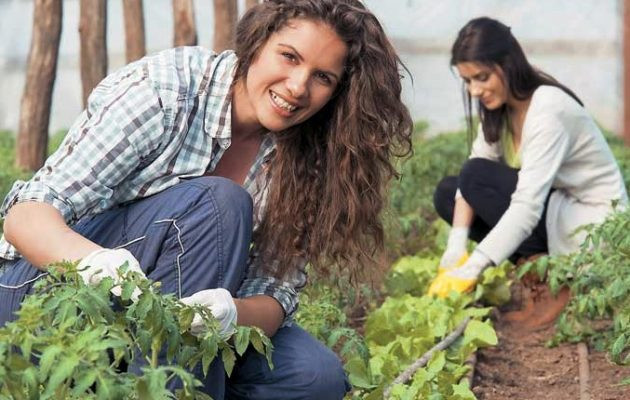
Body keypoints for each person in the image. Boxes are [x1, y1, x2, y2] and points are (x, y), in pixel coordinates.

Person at [0, 1, 412, 398]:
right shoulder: (166, 90)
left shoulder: (310, 153)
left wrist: (230, 313)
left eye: (323, 77)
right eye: (289, 56)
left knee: (312, 377)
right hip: (46, 295)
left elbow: (276, 290)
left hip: (159, 319)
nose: (298, 87)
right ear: (257, 40)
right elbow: (25, 216)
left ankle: (140, 379)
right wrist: (95, 262)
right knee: (219, 203)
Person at [428, 17, 628, 300]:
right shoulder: (500, 109)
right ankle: (534, 265)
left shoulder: (548, 108)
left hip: (591, 227)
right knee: (449, 193)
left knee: (475, 176)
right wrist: (456, 245)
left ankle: (550, 273)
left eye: (482, 77)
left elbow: (527, 205)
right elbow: (471, 172)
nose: (474, 90)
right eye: (468, 81)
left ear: (508, 64)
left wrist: (475, 265)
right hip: (555, 213)